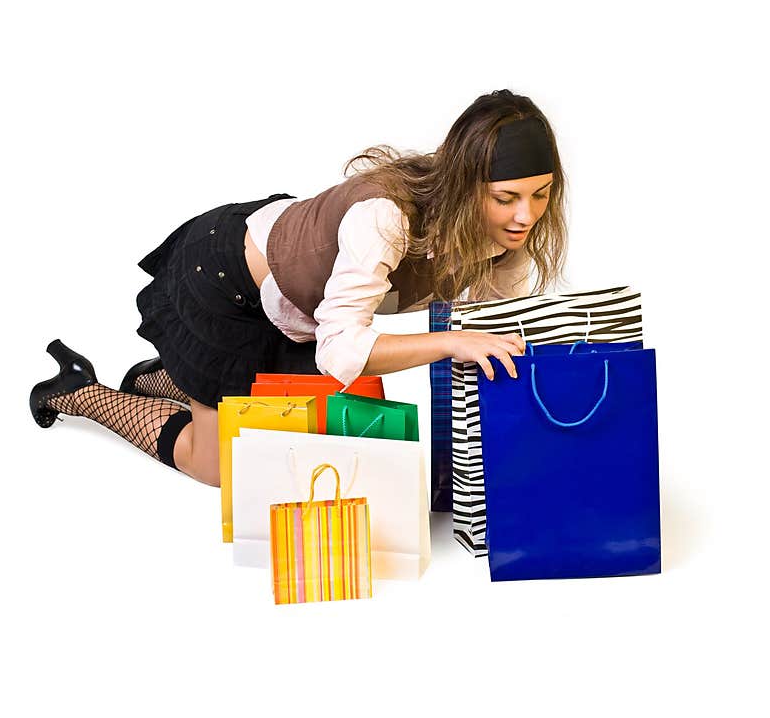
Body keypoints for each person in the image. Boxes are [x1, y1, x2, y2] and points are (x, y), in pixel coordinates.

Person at [29, 89, 568, 486]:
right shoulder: (384, 217)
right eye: (506, 198)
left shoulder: (506, 233)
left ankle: (167, 380)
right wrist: (449, 343)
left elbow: (501, 332)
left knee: (304, 436)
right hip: (225, 283)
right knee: (224, 470)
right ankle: (79, 391)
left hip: (300, 306)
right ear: (464, 184)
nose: (526, 216)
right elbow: (341, 351)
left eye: (541, 195)